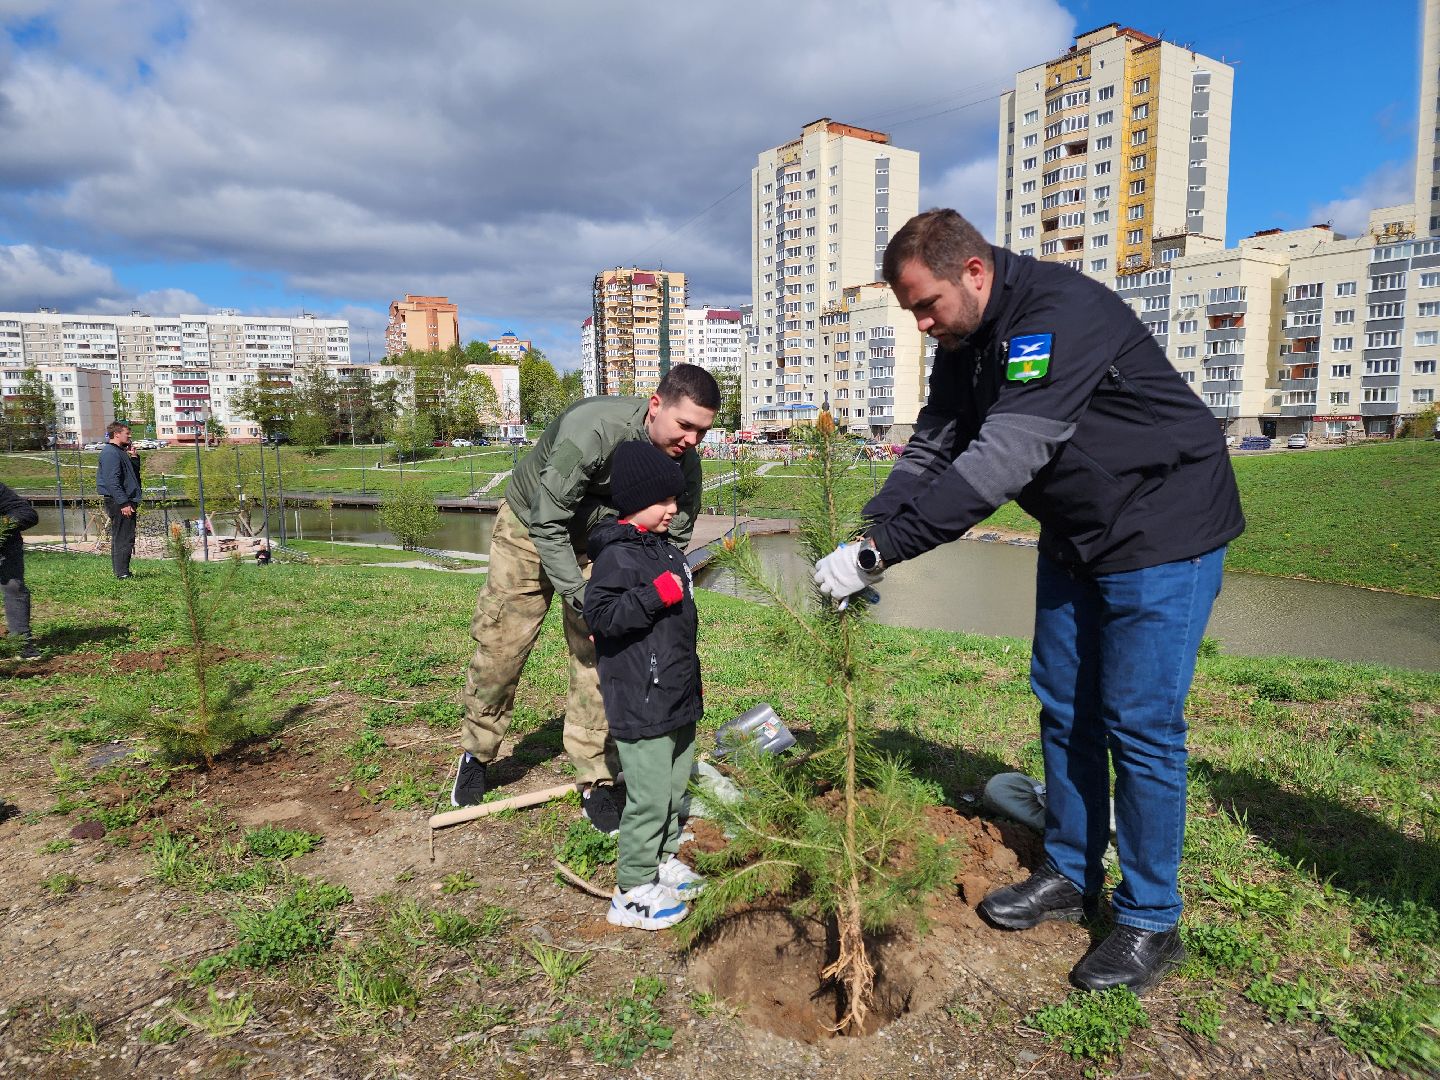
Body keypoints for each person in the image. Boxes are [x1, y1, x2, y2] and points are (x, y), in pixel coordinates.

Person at [814, 209, 1245, 995]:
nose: (920, 324)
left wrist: (883, 556)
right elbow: (936, 441)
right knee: (1063, 702)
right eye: (910, 310)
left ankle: (1151, 919)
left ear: (973, 273)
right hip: (1078, 531)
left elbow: (1003, 458)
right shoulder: (964, 341)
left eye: (926, 304)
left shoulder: (1059, 314)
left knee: (1140, 723)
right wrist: (874, 523)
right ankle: (1071, 871)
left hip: (1163, 527)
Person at [454, 364, 719, 834]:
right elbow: (547, 521)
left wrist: (633, 591)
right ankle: (476, 751)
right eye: (685, 426)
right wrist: (582, 597)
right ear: (655, 406)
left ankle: (595, 777)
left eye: (702, 431)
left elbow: (672, 536)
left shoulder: (685, 462)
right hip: (530, 531)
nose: (692, 441)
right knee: (502, 646)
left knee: (601, 655)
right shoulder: (593, 430)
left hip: (604, 543)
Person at [583, 440, 705, 929]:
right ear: (636, 501)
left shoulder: (663, 549)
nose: (675, 509)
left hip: (675, 695)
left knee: (675, 789)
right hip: (642, 698)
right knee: (649, 796)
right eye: (666, 501)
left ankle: (664, 861)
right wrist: (656, 595)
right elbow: (602, 615)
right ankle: (632, 889)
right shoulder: (616, 557)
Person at [0, 481, 41, 660]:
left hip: (5, 545)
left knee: (13, 586)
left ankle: (21, 643)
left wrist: (3, 526)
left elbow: (27, 513)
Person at [97, 421, 143, 579]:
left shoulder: (120, 452)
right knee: (123, 537)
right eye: (127, 433)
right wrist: (124, 503)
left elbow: (131, 477)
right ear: (116, 434)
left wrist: (134, 458)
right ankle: (122, 573)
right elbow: (112, 481)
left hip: (125, 500)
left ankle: (123, 571)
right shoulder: (110, 453)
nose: (130, 435)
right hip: (119, 502)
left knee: (125, 536)